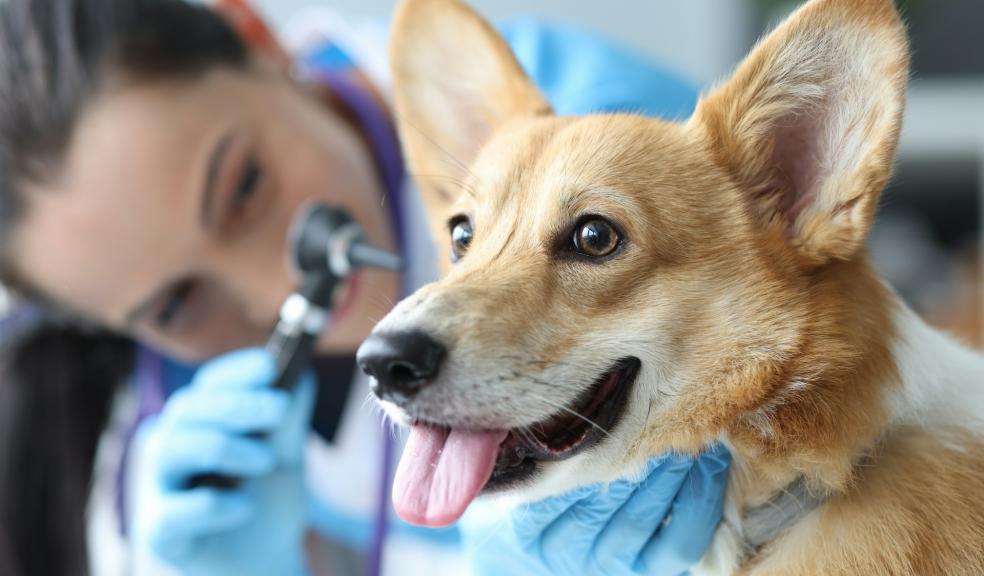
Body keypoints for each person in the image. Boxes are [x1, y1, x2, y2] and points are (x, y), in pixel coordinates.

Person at [0, 0, 729, 574]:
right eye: (175, 304)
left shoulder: (610, 149)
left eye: (245, 188)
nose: (276, 288)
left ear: (258, 36)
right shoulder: (169, 416)